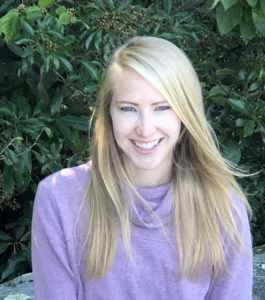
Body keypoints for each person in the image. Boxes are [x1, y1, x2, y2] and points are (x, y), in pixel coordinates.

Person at [31, 36, 253, 299]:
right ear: (109, 114)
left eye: (161, 107)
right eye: (128, 108)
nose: (145, 129)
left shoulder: (224, 206)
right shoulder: (59, 198)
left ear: (186, 113)